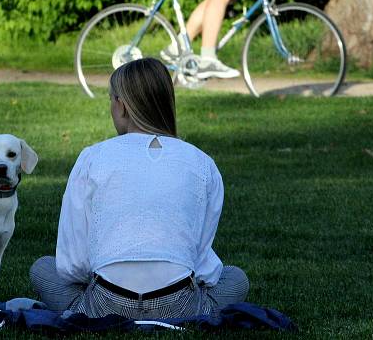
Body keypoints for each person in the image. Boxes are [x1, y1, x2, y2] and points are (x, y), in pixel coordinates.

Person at [30, 58, 248, 319]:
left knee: (43, 268)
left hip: (106, 302)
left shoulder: (92, 157)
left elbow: (72, 264)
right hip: (178, 303)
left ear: (121, 106)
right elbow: (203, 264)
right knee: (236, 278)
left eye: (111, 100)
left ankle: (84, 309)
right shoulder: (201, 162)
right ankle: (191, 313)